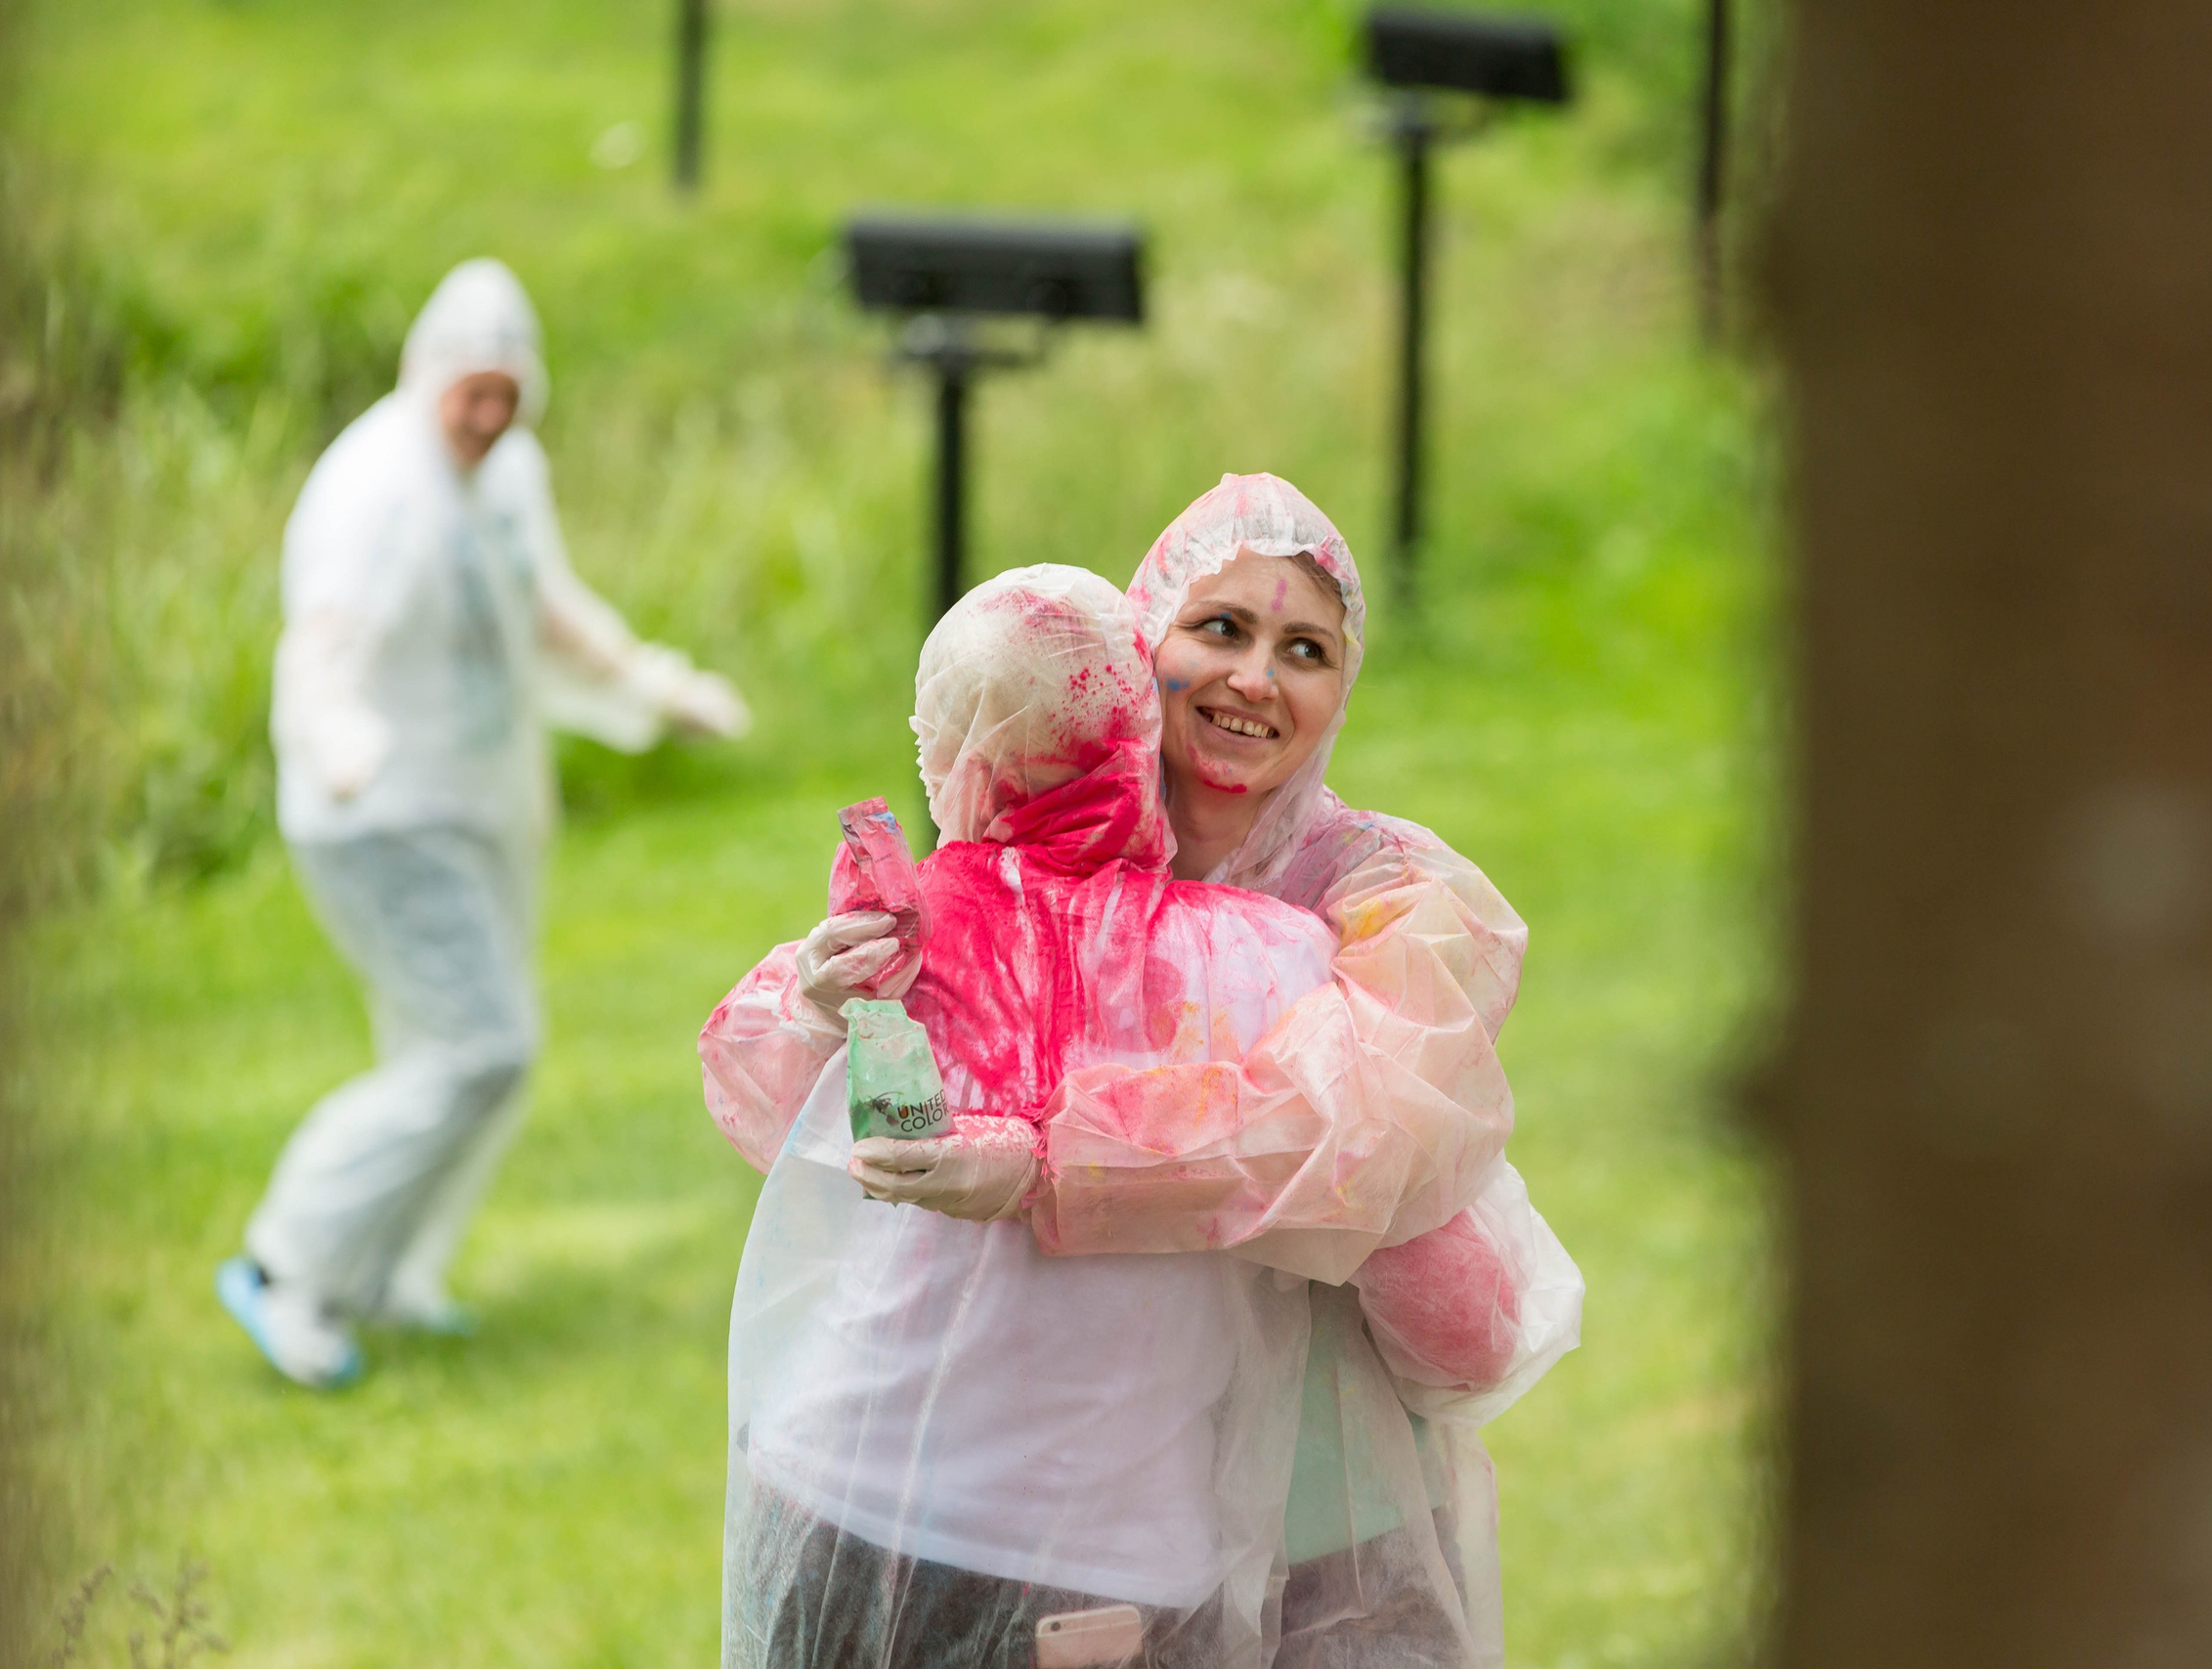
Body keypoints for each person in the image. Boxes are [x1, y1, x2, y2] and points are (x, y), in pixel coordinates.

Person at [706, 474, 1579, 1664]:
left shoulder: (1378, 899)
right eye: (1220, 630)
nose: (1255, 679)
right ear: (1133, 645)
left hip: (1327, 1514)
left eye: (1305, 650)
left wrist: (1051, 1162)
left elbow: (1359, 1134)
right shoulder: (1018, 860)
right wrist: (815, 1003)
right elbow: (802, 1131)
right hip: (1058, 1513)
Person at [715, 565, 1340, 1666]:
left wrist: (808, 998)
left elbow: (760, 1115)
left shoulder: (892, 940)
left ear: (963, 756)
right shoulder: (1267, 960)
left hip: (837, 1485)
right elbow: (1392, 1227)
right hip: (1109, 1555)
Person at [217, 258, 750, 1389]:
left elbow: (545, 605)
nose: (490, 418)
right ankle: (286, 1266)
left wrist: (653, 685)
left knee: (456, 1055)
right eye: (473, 396)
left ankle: (389, 1276)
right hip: (377, 812)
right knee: (481, 1044)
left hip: (474, 799)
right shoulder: (373, 487)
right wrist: (335, 733)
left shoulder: (508, 471)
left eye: (509, 396)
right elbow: (321, 639)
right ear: (430, 379)